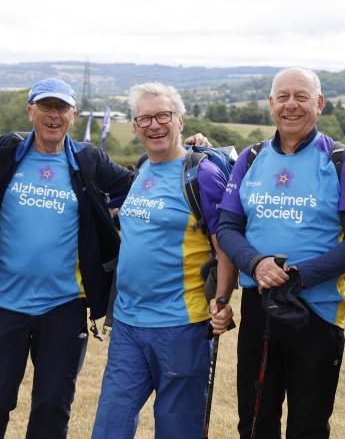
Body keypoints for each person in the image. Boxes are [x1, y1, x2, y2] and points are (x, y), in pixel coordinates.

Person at [0, 78, 133, 439]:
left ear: (73, 114)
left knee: (52, 407)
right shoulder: (5, 153)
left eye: (61, 108)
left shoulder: (87, 160)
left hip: (64, 307)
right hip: (3, 305)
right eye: (45, 107)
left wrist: (191, 152)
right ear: (31, 111)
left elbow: (140, 184)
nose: (53, 115)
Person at [214, 68, 345, 439]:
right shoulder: (251, 158)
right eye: (282, 96)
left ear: (319, 103)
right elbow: (227, 228)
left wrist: (299, 275)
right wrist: (256, 262)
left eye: (301, 96)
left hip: (316, 312)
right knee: (254, 422)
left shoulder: (340, 160)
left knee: (309, 426)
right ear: (271, 104)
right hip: (260, 307)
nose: (291, 105)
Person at [92, 82, 237, 439]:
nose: (154, 125)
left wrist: (221, 301)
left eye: (163, 116)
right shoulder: (141, 169)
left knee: (177, 430)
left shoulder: (200, 174)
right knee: (110, 427)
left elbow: (225, 246)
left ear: (180, 121)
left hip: (181, 325)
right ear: (136, 125)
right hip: (128, 322)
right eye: (145, 118)